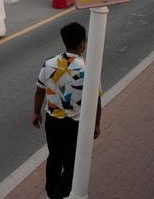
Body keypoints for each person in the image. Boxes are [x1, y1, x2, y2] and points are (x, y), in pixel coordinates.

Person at [33, 22, 101, 199]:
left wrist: (36, 112)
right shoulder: (88, 70)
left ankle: (50, 192)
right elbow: (96, 100)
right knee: (71, 164)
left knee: (54, 157)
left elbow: (39, 91)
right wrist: (96, 124)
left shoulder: (48, 64)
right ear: (82, 44)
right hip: (74, 124)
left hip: (52, 121)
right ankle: (59, 195)